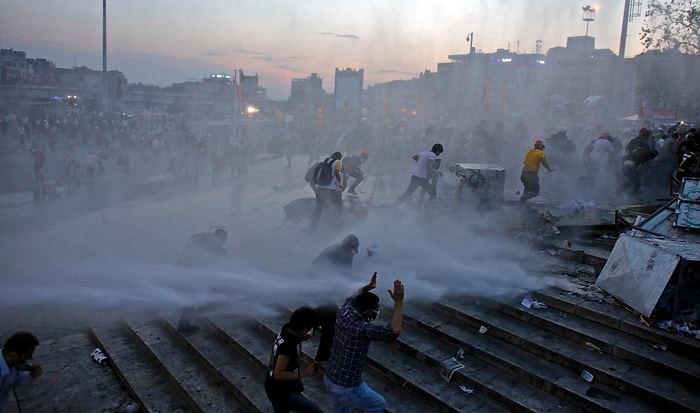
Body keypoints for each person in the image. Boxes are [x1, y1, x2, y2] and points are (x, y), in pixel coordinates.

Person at [323, 273, 404, 413]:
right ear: (369, 311)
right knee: (378, 404)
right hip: (346, 386)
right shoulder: (361, 329)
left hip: (330, 378)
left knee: (341, 409)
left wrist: (368, 287)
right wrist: (399, 302)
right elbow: (394, 331)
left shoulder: (345, 311)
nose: (377, 312)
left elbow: (353, 296)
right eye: (376, 310)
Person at [265, 307, 320, 413]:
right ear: (304, 326)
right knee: (313, 409)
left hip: (272, 385)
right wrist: (305, 373)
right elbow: (278, 374)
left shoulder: (286, 329)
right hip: (279, 392)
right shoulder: (288, 346)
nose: (310, 333)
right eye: (310, 329)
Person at [175, 228, 228, 332]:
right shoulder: (211, 241)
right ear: (220, 237)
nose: (223, 242)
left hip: (184, 270)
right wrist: (220, 252)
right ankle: (184, 325)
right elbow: (208, 256)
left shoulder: (200, 237)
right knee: (192, 298)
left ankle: (201, 309)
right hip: (190, 273)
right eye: (224, 240)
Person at [1, 332, 42, 413]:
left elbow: (15, 380)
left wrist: (31, 375)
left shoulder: (13, 365)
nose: (30, 358)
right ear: (12, 355)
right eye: (27, 355)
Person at [309, 152, 344, 233]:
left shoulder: (326, 160)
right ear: (339, 158)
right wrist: (340, 184)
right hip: (330, 189)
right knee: (338, 207)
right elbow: (336, 172)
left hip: (320, 188)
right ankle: (337, 228)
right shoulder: (338, 162)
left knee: (318, 209)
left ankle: (312, 229)